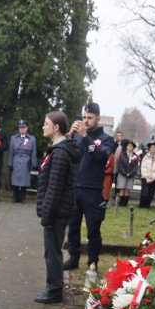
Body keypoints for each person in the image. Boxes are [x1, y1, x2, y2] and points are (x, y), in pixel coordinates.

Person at [63, 102, 116, 272]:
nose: (85, 121)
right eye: (84, 117)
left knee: (93, 229)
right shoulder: (77, 136)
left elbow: (100, 156)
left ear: (98, 119)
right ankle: (73, 257)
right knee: (73, 226)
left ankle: (92, 261)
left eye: (90, 118)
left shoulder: (107, 140)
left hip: (93, 191)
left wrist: (85, 137)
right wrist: (70, 135)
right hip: (75, 187)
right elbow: (63, 151)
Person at [35, 111, 80, 303]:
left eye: (46, 124)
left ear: (56, 128)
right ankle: (53, 289)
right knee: (51, 252)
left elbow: (54, 188)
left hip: (56, 213)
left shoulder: (60, 153)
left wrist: (47, 217)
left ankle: (54, 292)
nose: (43, 127)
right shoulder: (57, 149)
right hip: (57, 211)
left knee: (52, 253)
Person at [8, 119, 36, 204]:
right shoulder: (13, 138)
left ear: (27, 128)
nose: (22, 129)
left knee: (25, 180)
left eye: (23, 127)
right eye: (20, 128)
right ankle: (15, 197)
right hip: (16, 160)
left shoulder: (31, 139)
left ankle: (23, 198)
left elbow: (34, 151)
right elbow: (11, 152)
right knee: (15, 180)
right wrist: (10, 162)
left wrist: (33, 162)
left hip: (26, 160)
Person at [114, 139, 140, 207]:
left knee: (127, 189)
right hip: (122, 174)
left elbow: (136, 167)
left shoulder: (135, 156)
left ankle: (125, 203)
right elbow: (119, 165)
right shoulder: (122, 155)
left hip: (131, 175)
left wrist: (131, 173)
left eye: (131, 146)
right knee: (122, 188)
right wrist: (125, 173)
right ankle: (120, 203)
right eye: (128, 145)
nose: (130, 147)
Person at [138, 141, 155, 209]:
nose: (152, 149)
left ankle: (147, 205)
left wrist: (153, 178)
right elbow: (143, 167)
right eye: (151, 147)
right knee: (144, 193)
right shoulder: (146, 157)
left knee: (151, 193)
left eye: (154, 147)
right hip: (145, 178)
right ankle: (141, 205)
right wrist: (146, 177)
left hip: (154, 179)